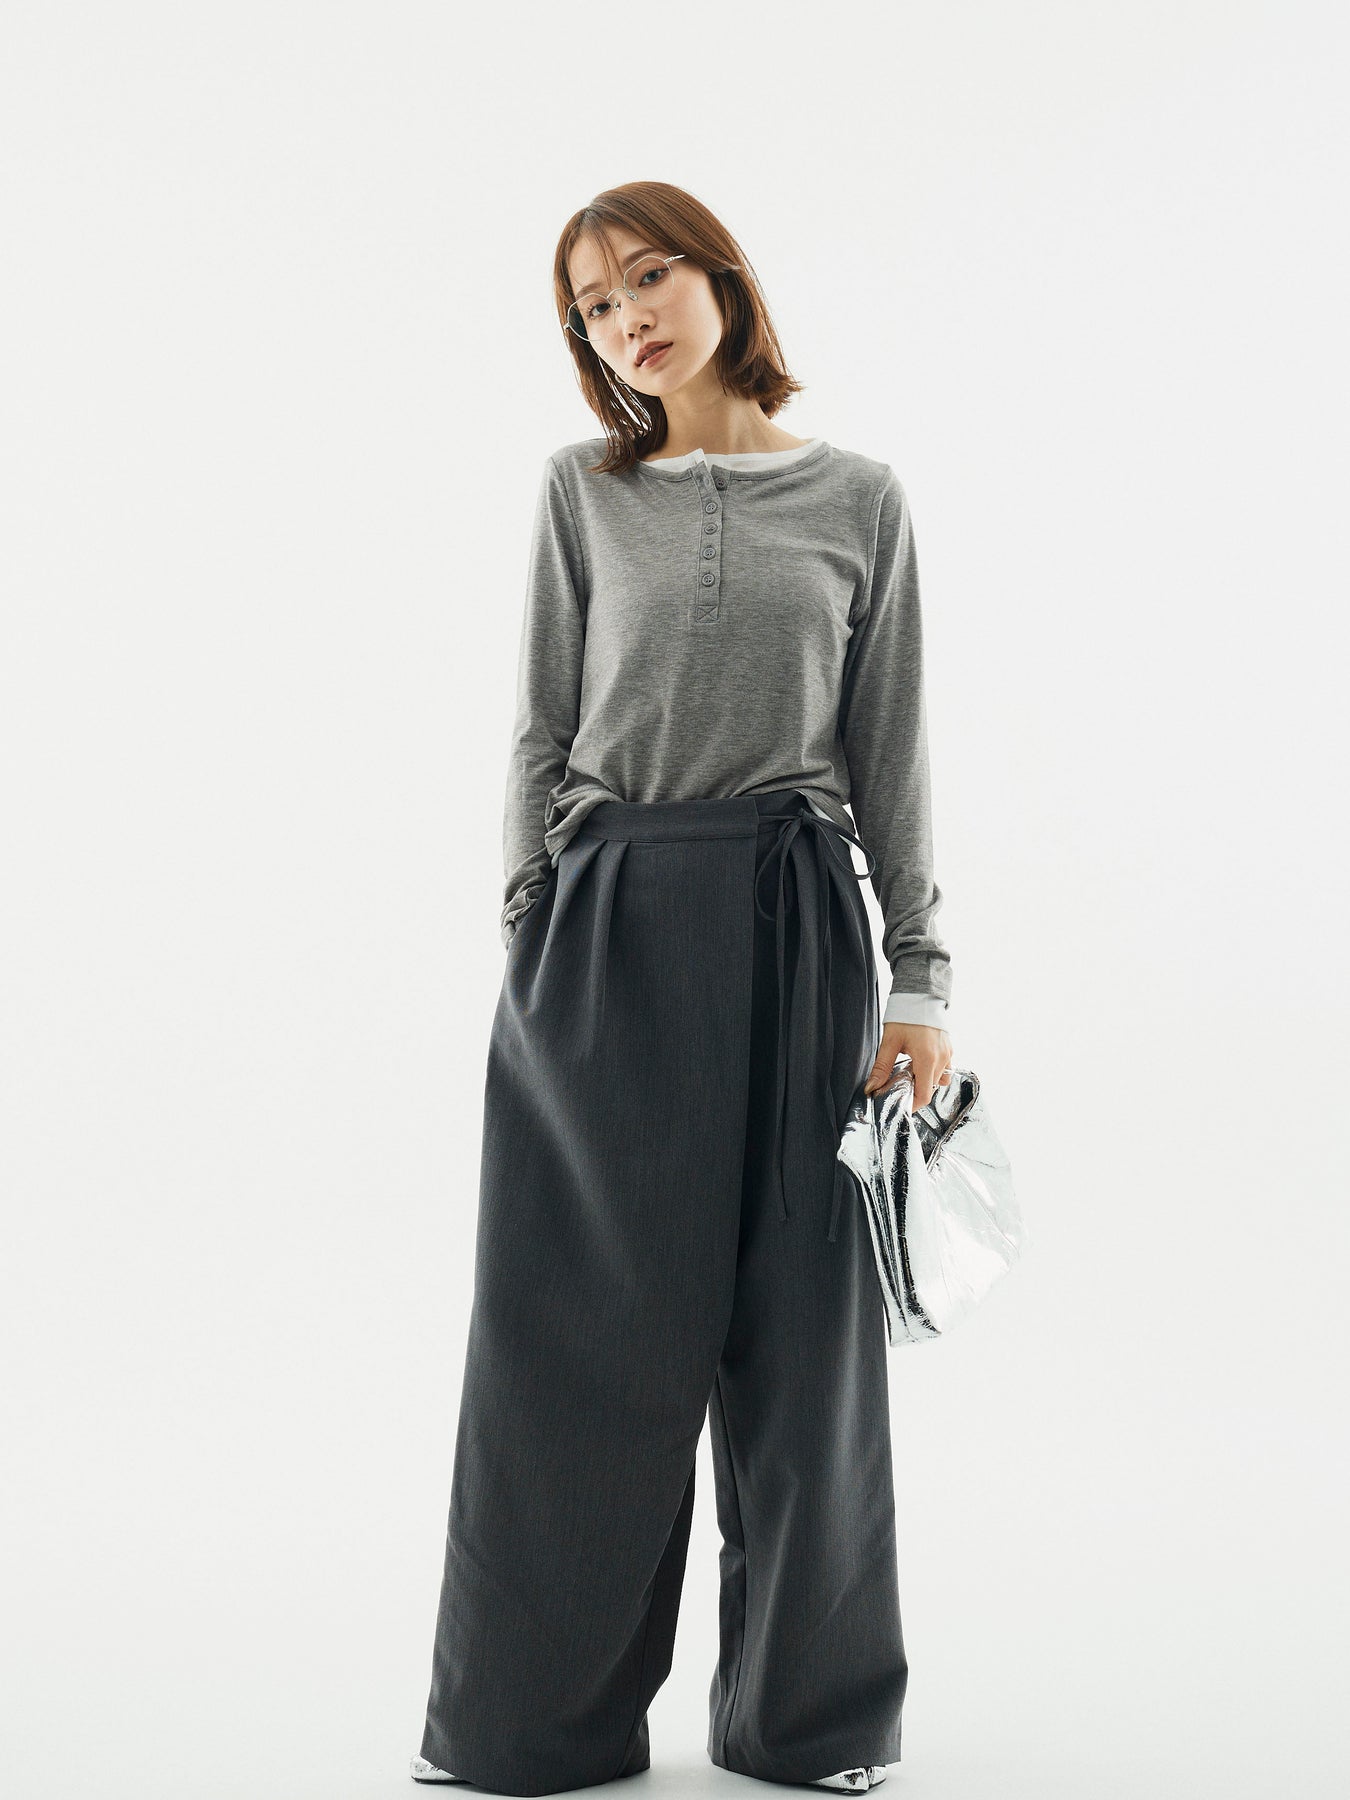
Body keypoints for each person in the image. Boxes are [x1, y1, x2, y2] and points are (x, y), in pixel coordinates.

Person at [412, 180, 955, 1798]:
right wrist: (536, 921)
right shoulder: (579, 493)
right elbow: (538, 727)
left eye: (646, 277)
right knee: (574, 1333)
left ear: (722, 279)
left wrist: (919, 980)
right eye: (591, 304)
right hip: (609, 923)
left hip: (797, 922)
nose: (624, 318)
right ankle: (526, 1728)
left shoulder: (859, 499)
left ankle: (808, 1725)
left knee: (802, 1336)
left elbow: (891, 756)